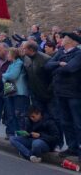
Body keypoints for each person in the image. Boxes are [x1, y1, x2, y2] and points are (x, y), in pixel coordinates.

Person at [44, 32, 81, 162]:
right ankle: (72, 147)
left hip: (74, 93)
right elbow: (47, 66)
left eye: (64, 37)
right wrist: (59, 64)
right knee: (65, 122)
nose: (61, 39)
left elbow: (70, 68)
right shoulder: (60, 52)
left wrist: (57, 67)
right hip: (60, 92)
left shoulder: (78, 53)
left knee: (78, 122)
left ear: (72, 41)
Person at [2, 48, 29, 136]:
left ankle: (22, 135)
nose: (7, 55)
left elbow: (13, 76)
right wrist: (6, 76)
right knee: (11, 114)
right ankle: (13, 134)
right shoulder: (11, 64)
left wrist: (4, 75)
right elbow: (5, 78)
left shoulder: (19, 63)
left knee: (19, 115)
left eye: (9, 54)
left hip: (19, 92)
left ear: (13, 55)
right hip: (11, 91)